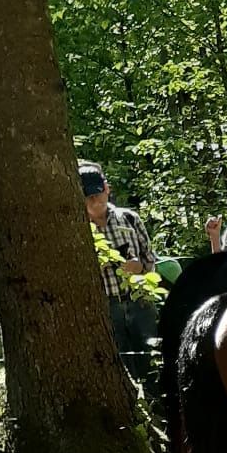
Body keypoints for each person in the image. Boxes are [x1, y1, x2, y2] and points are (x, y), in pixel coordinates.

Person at [80, 160, 160, 376]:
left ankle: (157, 404)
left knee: (151, 357)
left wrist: (141, 267)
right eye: (89, 198)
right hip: (108, 307)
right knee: (119, 363)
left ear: (107, 189)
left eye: (98, 194)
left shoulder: (129, 218)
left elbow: (149, 257)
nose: (96, 202)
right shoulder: (80, 230)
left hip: (139, 301)